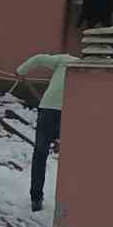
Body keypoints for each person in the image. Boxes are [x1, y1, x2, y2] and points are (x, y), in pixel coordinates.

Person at [15, 53, 78, 213]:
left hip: (49, 110)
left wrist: (20, 71)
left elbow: (38, 59)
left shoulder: (65, 60)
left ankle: (36, 199)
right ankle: (69, 201)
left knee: (40, 153)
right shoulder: (95, 67)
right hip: (72, 110)